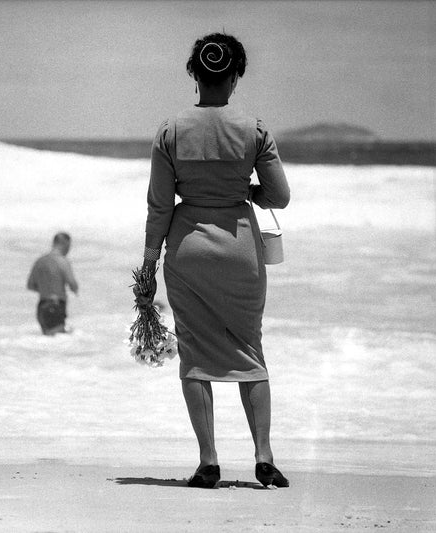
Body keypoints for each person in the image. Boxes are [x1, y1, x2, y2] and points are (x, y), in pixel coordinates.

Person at [135, 33, 290, 488]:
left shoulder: (171, 131)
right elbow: (280, 195)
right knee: (249, 350)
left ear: (194, 74)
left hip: (188, 253)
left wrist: (147, 267)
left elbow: (159, 207)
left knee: (196, 355)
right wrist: (249, 191)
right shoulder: (253, 129)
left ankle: (208, 462)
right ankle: (263, 457)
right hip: (241, 251)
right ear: (235, 76)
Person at [27, 232, 79, 335]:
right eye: (69, 246)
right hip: (55, 306)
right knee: (59, 343)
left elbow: (30, 285)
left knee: (48, 342)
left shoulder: (40, 261)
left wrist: (44, 289)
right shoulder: (62, 261)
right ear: (65, 244)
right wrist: (74, 289)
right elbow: (72, 284)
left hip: (42, 307)